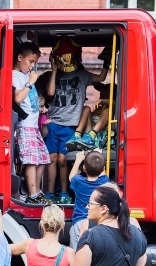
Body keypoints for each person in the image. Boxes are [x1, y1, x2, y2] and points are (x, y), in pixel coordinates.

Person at [42, 36, 109, 204]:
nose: (66, 61)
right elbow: (50, 93)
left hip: (70, 125)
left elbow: (100, 78)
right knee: (52, 159)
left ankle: (64, 192)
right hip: (53, 123)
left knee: (63, 160)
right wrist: (54, 70)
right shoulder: (51, 75)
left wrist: (107, 62)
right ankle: (50, 192)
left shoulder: (82, 75)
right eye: (62, 58)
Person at [13, 41, 51, 204]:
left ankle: (33, 190)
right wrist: (30, 82)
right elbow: (18, 99)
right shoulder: (15, 76)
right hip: (24, 126)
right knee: (31, 160)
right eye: (30, 61)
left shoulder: (25, 75)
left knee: (44, 157)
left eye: (34, 62)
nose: (32, 66)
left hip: (33, 126)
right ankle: (33, 194)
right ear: (20, 57)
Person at [68, 150, 109, 250]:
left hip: (79, 222)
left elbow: (71, 177)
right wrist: (99, 154)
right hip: (97, 221)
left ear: (84, 168)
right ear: (103, 168)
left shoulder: (78, 181)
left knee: (77, 251)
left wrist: (78, 160)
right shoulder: (104, 181)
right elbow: (102, 172)